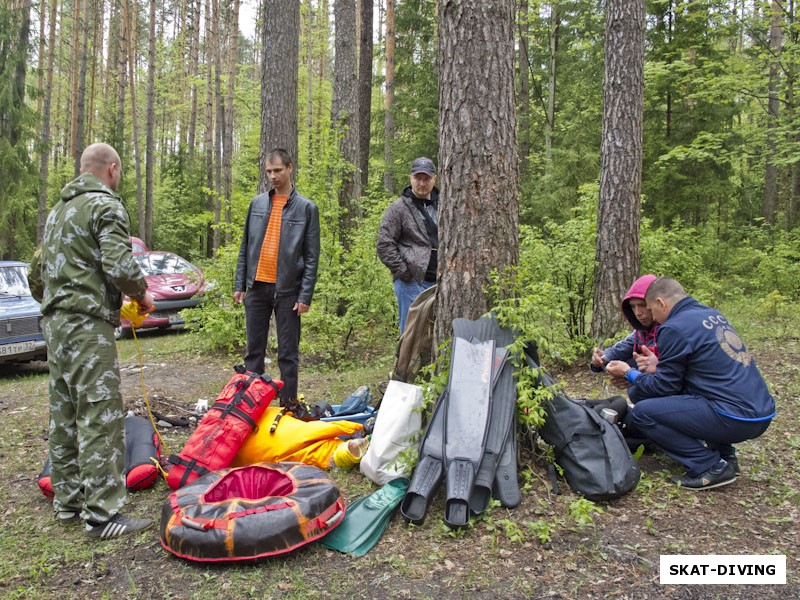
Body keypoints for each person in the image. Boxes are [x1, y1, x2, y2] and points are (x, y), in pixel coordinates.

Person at [29, 143, 156, 539]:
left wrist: (58, 302)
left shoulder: (58, 212)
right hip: (87, 325)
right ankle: (103, 514)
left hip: (55, 325)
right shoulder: (106, 206)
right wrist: (142, 294)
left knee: (65, 412)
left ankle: (68, 503)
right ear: (112, 169)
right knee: (100, 413)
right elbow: (119, 264)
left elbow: (36, 272)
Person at [605, 277, 775, 490]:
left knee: (642, 411)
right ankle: (726, 457)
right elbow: (701, 369)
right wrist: (656, 367)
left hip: (734, 417)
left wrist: (629, 373)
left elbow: (663, 388)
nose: (652, 317)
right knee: (702, 391)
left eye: (650, 308)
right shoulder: (711, 314)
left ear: (661, 303)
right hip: (760, 413)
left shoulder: (673, 327)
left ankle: (709, 466)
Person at [234, 148, 320, 405]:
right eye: (269, 171)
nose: (272, 176)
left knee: (288, 354)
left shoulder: (307, 208)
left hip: (288, 291)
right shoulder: (257, 203)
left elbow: (312, 256)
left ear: (290, 168)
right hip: (257, 287)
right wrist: (240, 284)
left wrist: (305, 295)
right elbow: (245, 246)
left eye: (277, 171)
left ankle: (289, 405)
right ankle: (252, 406)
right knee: (253, 353)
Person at [377, 157, 440, 333]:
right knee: (411, 333)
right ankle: (405, 361)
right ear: (410, 178)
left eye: (426, 178)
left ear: (434, 178)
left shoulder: (445, 205)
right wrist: (405, 274)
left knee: (437, 333)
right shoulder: (399, 208)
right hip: (413, 283)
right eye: (418, 178)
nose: (422, 183)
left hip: (442, 281)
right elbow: (384, 244)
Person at [591, 274, 660, 388]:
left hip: (680, 389)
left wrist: (632, 374)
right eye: (632, 306)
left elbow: (674, 372)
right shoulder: (640, 332)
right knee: (629, 361)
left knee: (637, 390)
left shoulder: (670, 330)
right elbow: (620, 350)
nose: (637, 312)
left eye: (642, 305)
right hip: (658, 383)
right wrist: (601, 360)